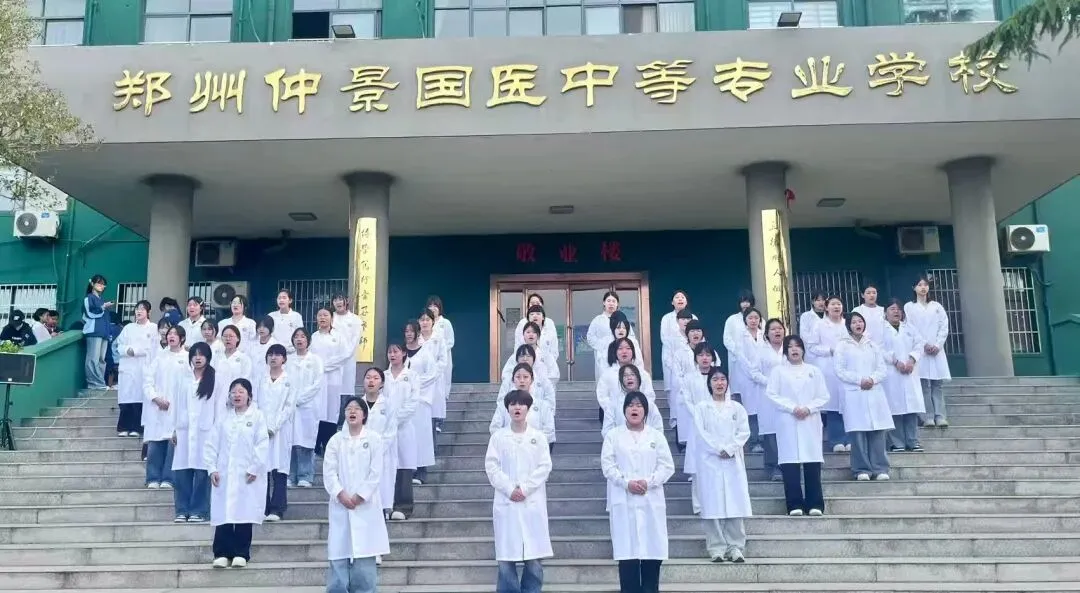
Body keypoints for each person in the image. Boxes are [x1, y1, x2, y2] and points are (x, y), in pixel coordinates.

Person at [601, 391, 674, 593]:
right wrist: (626, 483)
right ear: (624, 410)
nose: (635, 409)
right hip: (623, 498)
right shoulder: (613, 436)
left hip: (651, 498)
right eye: (631, 405)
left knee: (652, 551)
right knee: (628, 554)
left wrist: (648, 482)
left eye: (639, 405)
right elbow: (608, 466)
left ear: (645, 411)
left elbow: (667, 466)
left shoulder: (656, 436)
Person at [484, 389, 553, 593]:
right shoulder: (498, 437)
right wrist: (509, 488)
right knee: (506, 560)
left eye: (521, 404)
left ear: (528, 408)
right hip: (507, 502)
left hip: (531, 501)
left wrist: (525, 488)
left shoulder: (538, 437)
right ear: (507, 408)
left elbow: (544, 466)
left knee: (534, 559)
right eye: (513, 404)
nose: (517, 408)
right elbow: (491, 466)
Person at [324, 397, 390, 593]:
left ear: (364, 415)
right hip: (341, 505)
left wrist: (360, 496)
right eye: (348, 409)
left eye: (356, 409)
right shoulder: (336, 441)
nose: (352, 411)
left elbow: (376, 472)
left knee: (365, 552)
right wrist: (340, 494)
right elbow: (329, 471)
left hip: (365, 506)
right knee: (339, 551)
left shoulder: (374, 439)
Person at [205, 378, 269, 569]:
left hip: (247, 475)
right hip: (224, 473)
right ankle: (221, 553)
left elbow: (262, 444)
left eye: (241, 391)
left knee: (244, 512)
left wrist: (254, 467)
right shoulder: (223, 418)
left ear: (249, 396)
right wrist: (212, 468)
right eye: (233, 392)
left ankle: (241, 553)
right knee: (223, 513)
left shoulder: (257, 417)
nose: (237, 395)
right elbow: (211, 444)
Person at [692, 367, 752, 563]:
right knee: (712, 505)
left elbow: (744, 432)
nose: (719, 383)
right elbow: (701, 434)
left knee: (735, 504)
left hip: (732, 461)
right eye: (715, 379)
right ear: (709, 383)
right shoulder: (702, 408)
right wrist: (718, 449)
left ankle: (735, 546)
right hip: (710, 462)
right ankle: (716, 547)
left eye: (722, 379)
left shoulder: (737, 408)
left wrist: (730, 449)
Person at [766, 335, 829, 516]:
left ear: (803, 349)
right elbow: (772, 394)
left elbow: (824, 396)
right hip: (788, 420)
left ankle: (815, 503)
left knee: (812, 462)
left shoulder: (814, 371)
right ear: (785, 351)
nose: (794, 349)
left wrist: (808, 408)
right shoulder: (778, 372)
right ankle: (794, 504)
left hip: (810, 420)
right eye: (790, 346)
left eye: (798, 346)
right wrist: (792, 408)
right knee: (790, 463)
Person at [834, 312, 893, 481]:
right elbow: (839, 370)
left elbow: (882, 368)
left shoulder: (872, 345)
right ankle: (861, 469)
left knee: (877, 431)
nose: (858, 324)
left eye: (860, 321)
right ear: (848, 326)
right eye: (854, 322)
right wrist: (859, 380)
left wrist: (872, 379)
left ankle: (880, 468)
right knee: (858, 433)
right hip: (855, 393)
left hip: (874, 391)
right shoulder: (842, 346)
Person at [172, 342, 225, 523]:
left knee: (203, 472)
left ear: (208, 357)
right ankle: (181, 510)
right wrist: (173, 429)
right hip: (184, 431)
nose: (198, 358)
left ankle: (199, 510)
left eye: (201, 354)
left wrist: (217, 432)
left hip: (206, 432)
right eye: (194, 354)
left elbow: (220, 408)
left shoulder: (216, 379)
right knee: (182, 472)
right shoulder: (183, 378)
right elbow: (176, 404)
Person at [142, 325, 187, 489]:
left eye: (175, 334)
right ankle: (153, 477)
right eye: (169, 334)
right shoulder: (159, 357)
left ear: (182, 338)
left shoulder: (187, 358)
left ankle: (169, 478)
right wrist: (155, 398)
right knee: (155, 443)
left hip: (177, 408)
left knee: (172, 443)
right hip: (157, 407)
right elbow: (147, 381)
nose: (171, 336)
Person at [904, 275, 952, 427]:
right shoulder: (909, 307)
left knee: (937, 385)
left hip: (937, 351)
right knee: (924, 385)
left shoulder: (936, 306)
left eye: (925, 285)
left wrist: (937, 345)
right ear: (914, 288)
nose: (923, 287)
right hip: (920, 351)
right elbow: (910, 327)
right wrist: (924, 344)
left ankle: (940, 416)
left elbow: (944, 326)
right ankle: (928, 417)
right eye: (919, 285)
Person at [255, 344, 296, 521]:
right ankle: (262, 507)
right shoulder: (260, 379)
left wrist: (274, 426)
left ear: (284, 359)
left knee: (279, 470)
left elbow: (289, 407)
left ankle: (277, 508)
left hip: (281, 431)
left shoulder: (290, 380)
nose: (273, 358)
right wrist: (261, 426)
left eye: (277, 355)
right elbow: (255, 403)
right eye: (270, 354)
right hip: (261, 430)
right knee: (262, 469)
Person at [883, 299, 927, 452]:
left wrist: (912, 360)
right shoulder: (881, 330)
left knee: (911, 408)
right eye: (892, 309)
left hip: (910, 372)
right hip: (892, 373)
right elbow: (879, 349)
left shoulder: (909, 328)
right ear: (885, 313)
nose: (896, 311)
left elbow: (919, 344)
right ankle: (897, 442)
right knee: (895, 408)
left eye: (898, 309)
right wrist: (895, 362)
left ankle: (912, 441)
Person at [115, 300, 158, 438]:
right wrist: (128, 350)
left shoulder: (154, 328)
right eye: (137, 309)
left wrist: (137, 351)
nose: (139, 311)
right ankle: (124, 427)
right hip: (128, 367)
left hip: (144, 366)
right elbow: (119, 345)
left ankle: (136, 427)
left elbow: (154, 348)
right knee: (126, 396)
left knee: (140, 397)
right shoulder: (128, 328)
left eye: (142, 309)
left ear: (148, 312)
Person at [385, 343, 418, 520]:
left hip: (404, 428)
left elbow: (413, 403)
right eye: (390, 352)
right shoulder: (383, 376)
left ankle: (404, 507)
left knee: (404, 466)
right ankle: (386, 506)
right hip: (384, 429)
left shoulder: (412, 376)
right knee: (387, 467)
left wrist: (395, 419)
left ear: (404, 353)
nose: (392, 355)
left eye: (396, 351)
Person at [289, 327, 324, 488]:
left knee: (306, 441)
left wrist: (300, 399)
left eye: (302, 336)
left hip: (308, 407)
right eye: (296, 336)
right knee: (290, 441)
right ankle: (290, 475)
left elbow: (317, 383)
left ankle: (305, 475)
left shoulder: (315, 360)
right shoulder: (288, 360)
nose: (299, 339)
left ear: (308, 340)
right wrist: (291, 400)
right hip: (290, 407)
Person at [426, 296, 454, 434]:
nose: (433, 308)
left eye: (435, 306)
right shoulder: (426, 322)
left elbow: (450, 341)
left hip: (443, 360)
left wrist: (439, 351)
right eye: (430, 306)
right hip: (428, 361)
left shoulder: (445, 323)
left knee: (442, 389)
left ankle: (439, 421)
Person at [81, 275, 114, 390]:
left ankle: (100, 383)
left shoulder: (101, 300)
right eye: (99, 283)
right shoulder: (88, 298)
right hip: (93, 331)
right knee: (93, 359)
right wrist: (103, 307)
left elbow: (106, 318)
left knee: (101, 360)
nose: (101, 286)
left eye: (103, 284)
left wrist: (109, 333)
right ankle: (93, 384)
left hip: (104, 333)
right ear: (92, 284)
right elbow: (89, 313)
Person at [268, 289, 303, 355]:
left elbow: (299, 334)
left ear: (290, 300)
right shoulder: (271, 316)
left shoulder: (297, 316)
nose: (281, 300)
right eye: (279, 298)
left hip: (292, 351)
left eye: (284, 298)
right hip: (275, 351)